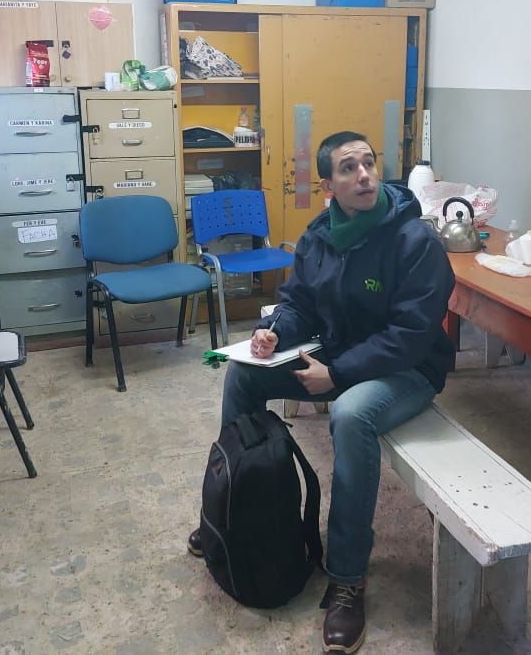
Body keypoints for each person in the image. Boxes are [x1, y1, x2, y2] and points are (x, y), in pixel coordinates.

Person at [188, 131, 455, 653]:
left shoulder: (414, 241)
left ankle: (348, 578)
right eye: (349, 168)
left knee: (351, 415)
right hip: (335, 357)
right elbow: (298, 303)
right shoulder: (319, 237)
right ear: (329, 185)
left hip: (408, 369)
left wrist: (339, 373)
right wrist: (274, 333)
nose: (364, 175)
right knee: (242, 374)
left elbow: (412, 333)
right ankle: (231, 512)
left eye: (368, 163)